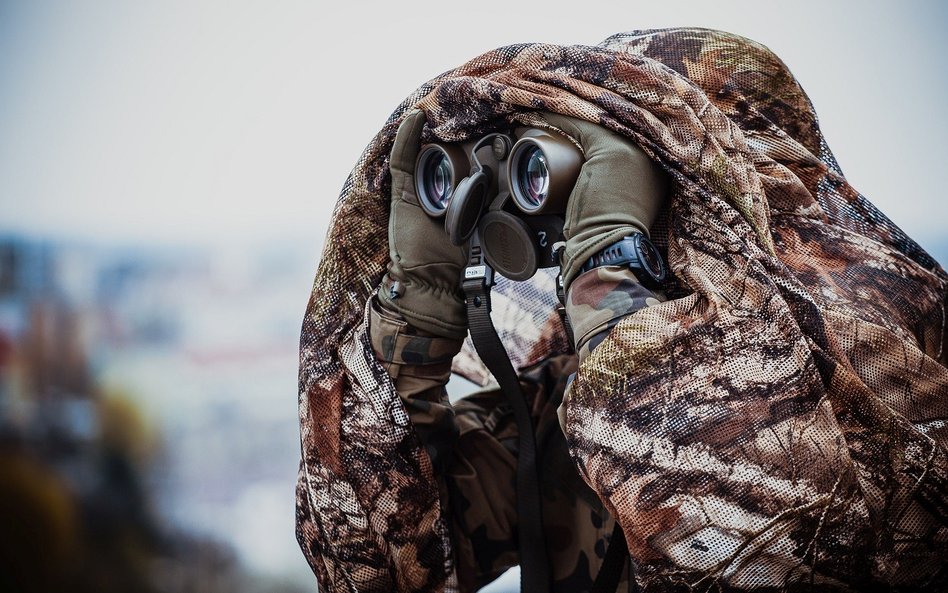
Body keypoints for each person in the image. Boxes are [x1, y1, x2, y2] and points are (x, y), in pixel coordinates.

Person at [296, 27, 948, 592]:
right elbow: (369, 564)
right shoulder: (568, 402)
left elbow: (742, 550)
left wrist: (611, 276)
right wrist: (418, 308)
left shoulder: (887, 377)